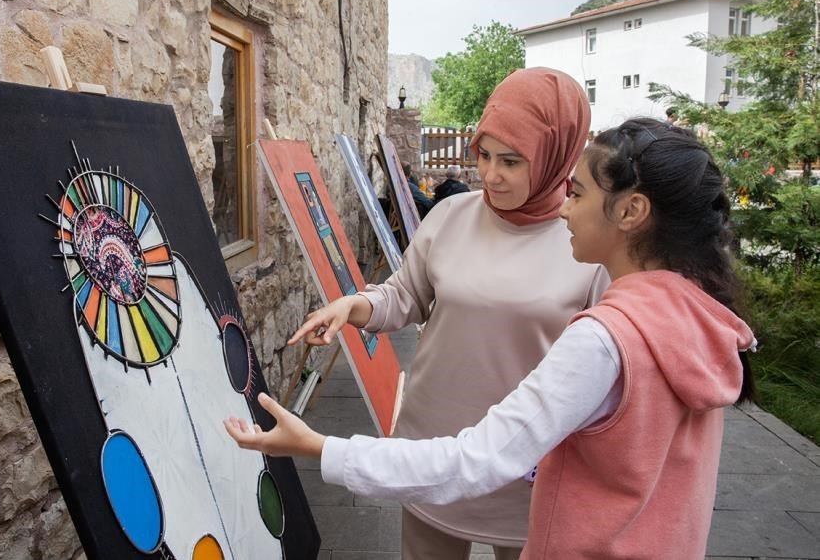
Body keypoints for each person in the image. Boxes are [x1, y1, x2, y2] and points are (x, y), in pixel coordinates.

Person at [226, 118, 758, 559]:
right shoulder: (698, 317)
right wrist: (359, 304)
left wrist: (319, 448)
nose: (565, 208)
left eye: (576, 193)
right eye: (487, 155)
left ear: (630, 211)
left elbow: (478, 459)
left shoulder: (603, 338)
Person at [268, 68, 609, 559]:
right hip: (429, 445)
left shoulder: (585, 242)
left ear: (557, 158)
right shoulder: (452, 216)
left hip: (529, 463)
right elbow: (404, 294)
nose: (491, 175)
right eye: (484, 155)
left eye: (512, 161)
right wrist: (354, 305)